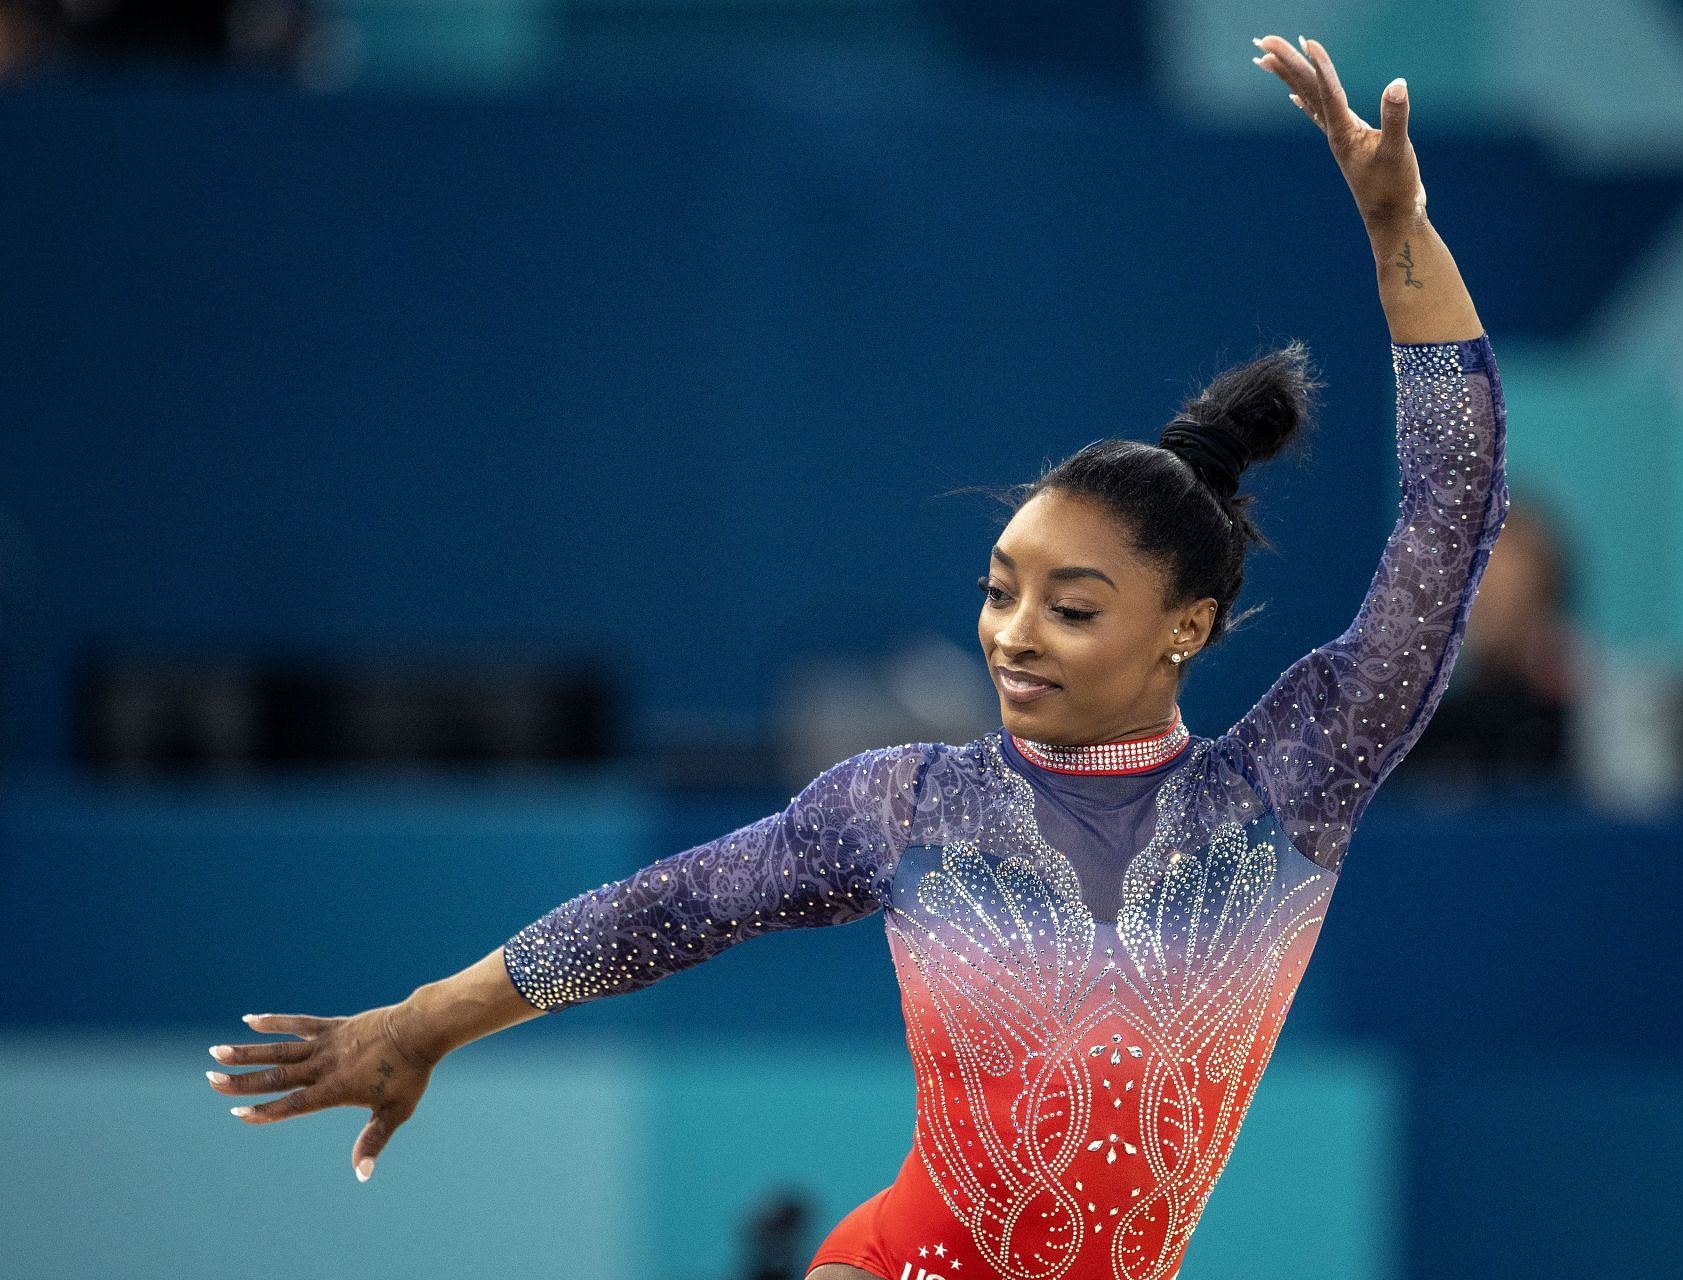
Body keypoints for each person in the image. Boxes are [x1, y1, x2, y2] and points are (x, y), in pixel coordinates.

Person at [204, 33, 1507, 1280]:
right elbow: (663, 913)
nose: (1011, 633)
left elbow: (1450, 517)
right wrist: (428, 1019)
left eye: (1071, 605)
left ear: (1188, 627)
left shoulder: (1284, 791)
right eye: (1000, 591)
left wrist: (1400, 232)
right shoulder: (911, 807)